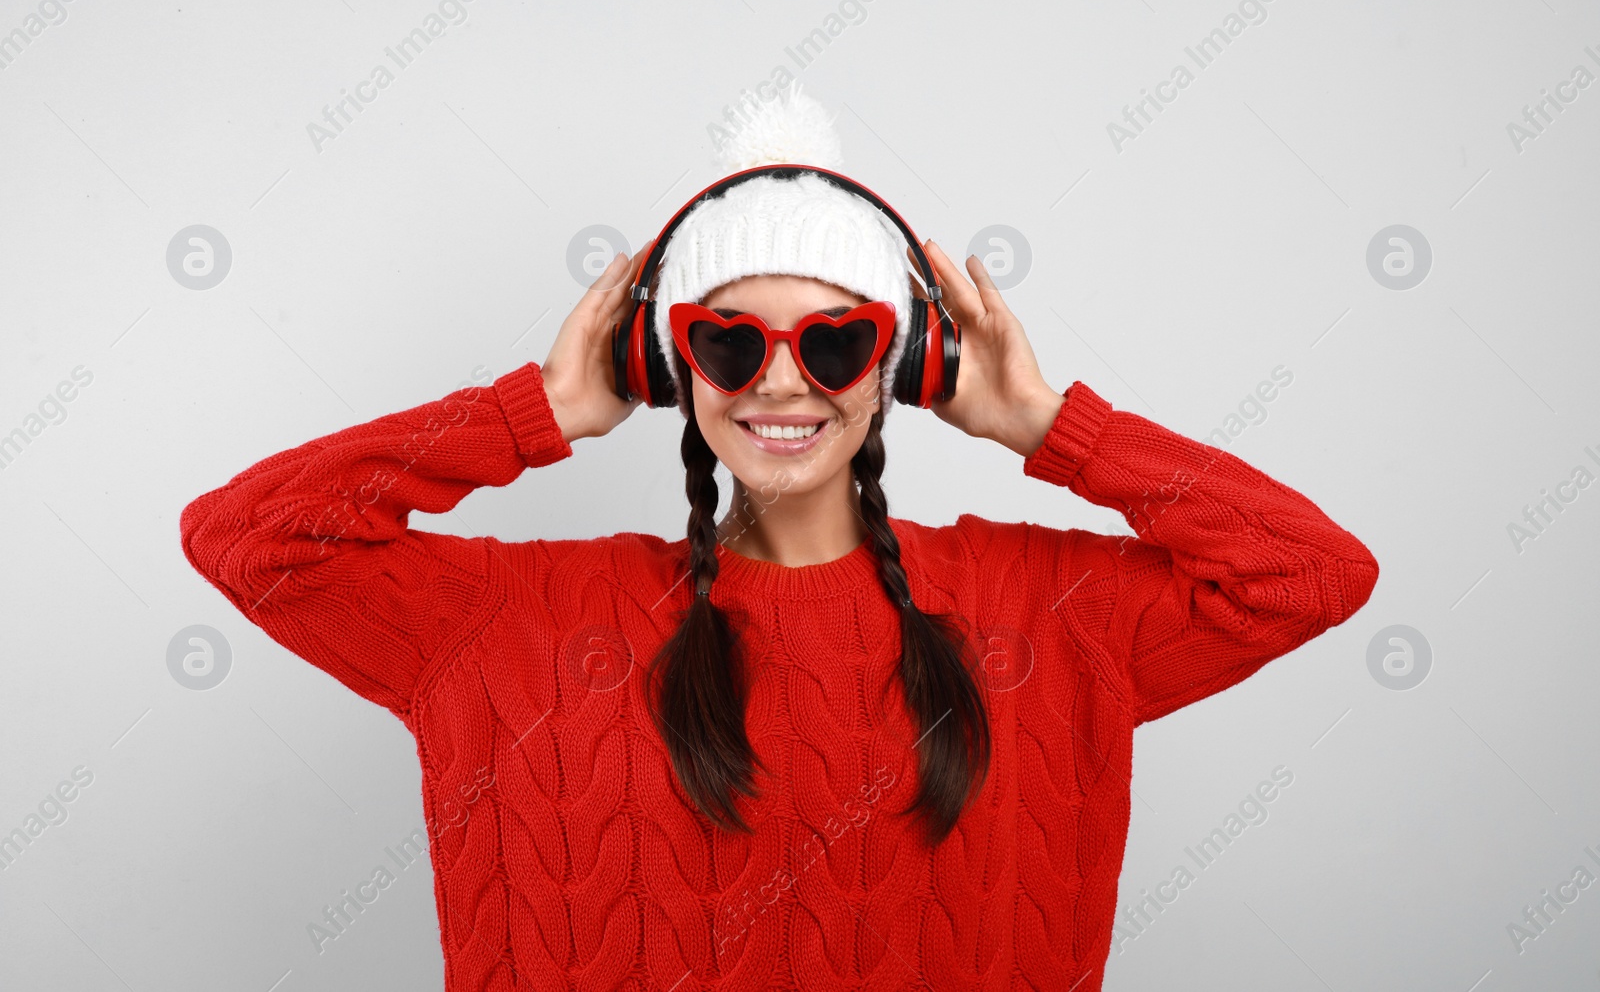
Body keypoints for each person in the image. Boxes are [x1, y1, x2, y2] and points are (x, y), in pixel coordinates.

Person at [179, 86, 1379, 990]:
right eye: (730, 341)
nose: (783, 383)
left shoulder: (1045, 611)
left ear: (908, 362)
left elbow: (1311, 572)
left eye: (841, 341)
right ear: (665, 363)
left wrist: (1048, 425)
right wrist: (527, 414)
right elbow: (249, 537)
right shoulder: (514, 626)